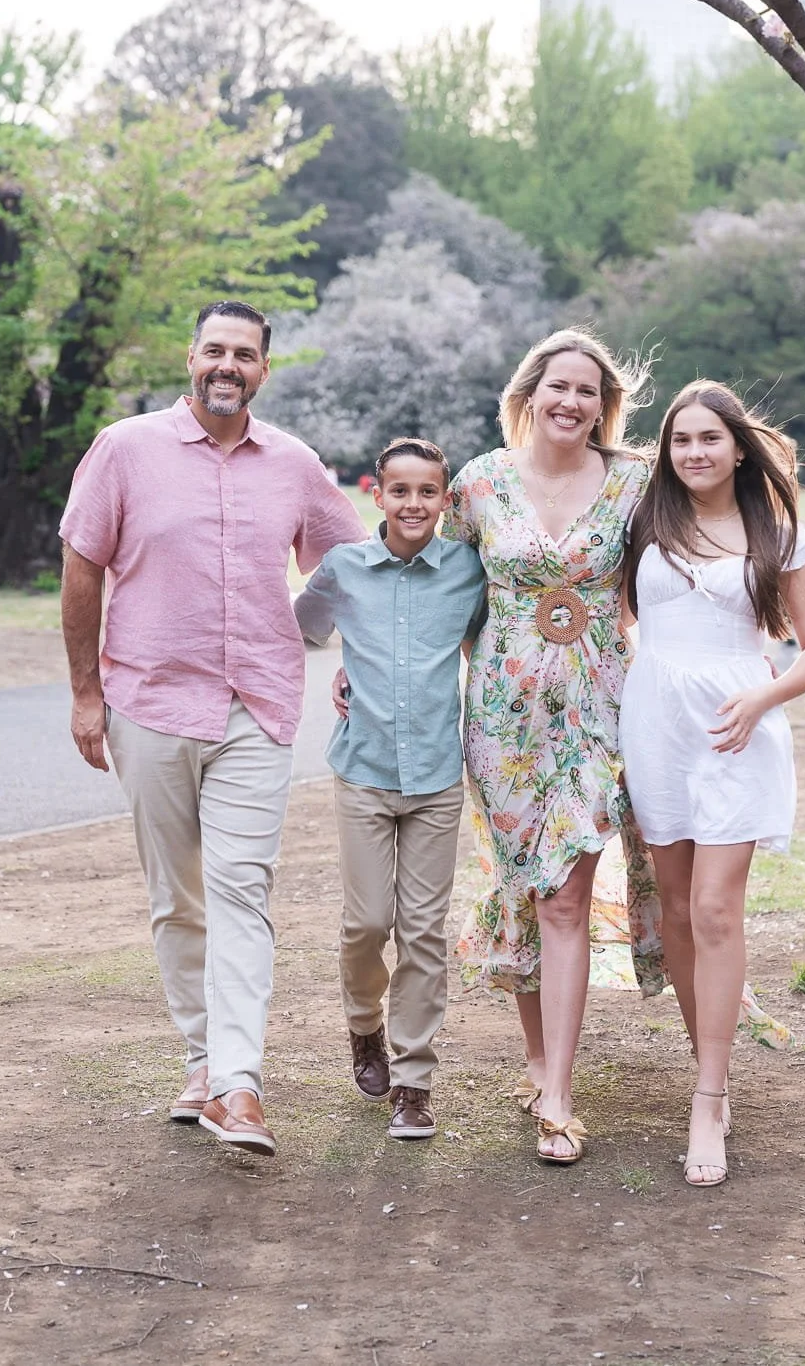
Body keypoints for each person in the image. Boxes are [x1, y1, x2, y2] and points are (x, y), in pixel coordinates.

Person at [58, 299, 365, 1159]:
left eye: (245, 355)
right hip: (148, 704)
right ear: (191, 358)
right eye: (214, 351)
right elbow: (81, 569)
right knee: (178, 895)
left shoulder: (294, 465)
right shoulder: (125, 449)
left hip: (256, 709)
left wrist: (325, 640)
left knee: (241, 890)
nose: (228, 366)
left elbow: (350, 566)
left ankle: (239, 1084)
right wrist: (87, 695)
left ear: (264, 370)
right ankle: (200, 1062)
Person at [445, 329, 660, 1167]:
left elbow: (677, 576)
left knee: (568, 892)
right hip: (501, 722)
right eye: (558, 387)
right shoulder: (479, 484)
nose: (572, 403)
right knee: (529, 889)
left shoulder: (637, 482)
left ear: (604, 407)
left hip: (600, 714)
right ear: (530, 393)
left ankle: (560, 1098)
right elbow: (445, 603)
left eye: (589, 393)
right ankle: (538, 1061)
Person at [620, 380, 805, 1187]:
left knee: (715, 906)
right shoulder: (644, 521)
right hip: (655, 727)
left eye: (709, 438)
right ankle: (703, 1057)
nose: (694, 453)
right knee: (675, 907)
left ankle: (709, 1098)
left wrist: (763, 694)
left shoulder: (776, 534)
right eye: (680, 441)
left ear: (739, 447)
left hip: (737, 728)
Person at [294, 437, 487, 1142]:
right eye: (399, 490)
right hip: (365, 773)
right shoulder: (343, 569)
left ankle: (413, 1081)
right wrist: (345, 669)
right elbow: (302, 630)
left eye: (426, 492)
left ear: (445, 500)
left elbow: (487, 646)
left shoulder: (468, 571)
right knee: (367, 923)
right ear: (377, 494)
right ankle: (362, 1028)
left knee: (423, 933)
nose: (413, 504)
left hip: (437, 776)